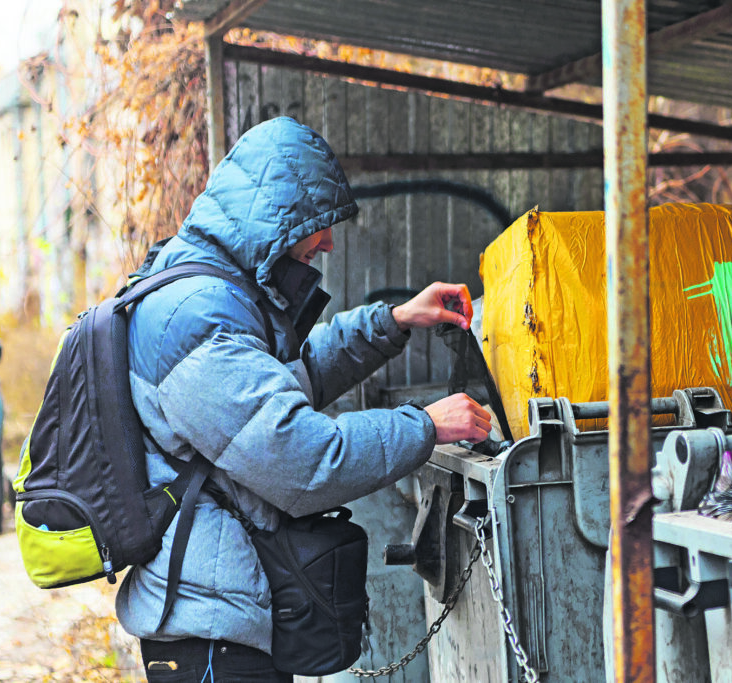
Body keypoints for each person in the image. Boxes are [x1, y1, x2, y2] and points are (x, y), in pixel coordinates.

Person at [115, 116, 493, 681]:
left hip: (226, 615)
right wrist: (424, 426)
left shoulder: (215, 297)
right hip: (209, 636)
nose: (330, 240)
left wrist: (394, 321)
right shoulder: (191, 318)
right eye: (317, 223)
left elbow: (287, 379)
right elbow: (301, 460)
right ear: (276, 214)